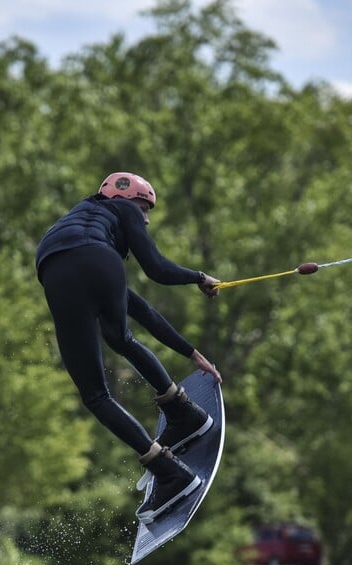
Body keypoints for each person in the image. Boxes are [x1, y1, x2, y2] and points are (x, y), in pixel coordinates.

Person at [36, 172, 223, 522]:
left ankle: (177, 440)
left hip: (56, 274)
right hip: (81, 269)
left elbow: (143, 310)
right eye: (144, 208)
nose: (146, 218)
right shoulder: (121, 211)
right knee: (120, 338)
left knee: (95, 394)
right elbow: (157, 268)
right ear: (123, 199)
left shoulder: (83, 224)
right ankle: (179, 430)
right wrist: (199, 276)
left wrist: (191, 353)